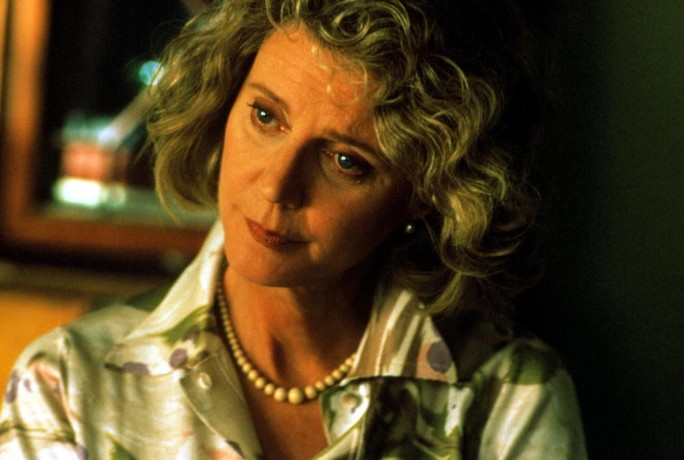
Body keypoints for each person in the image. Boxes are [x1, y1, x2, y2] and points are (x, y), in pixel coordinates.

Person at [0, 0, 587, 458]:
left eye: (346, 161)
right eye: (265, 116)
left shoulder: (509, 396)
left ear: (429, 192)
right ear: (224, 102)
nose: (276, 186)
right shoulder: (67, 386)